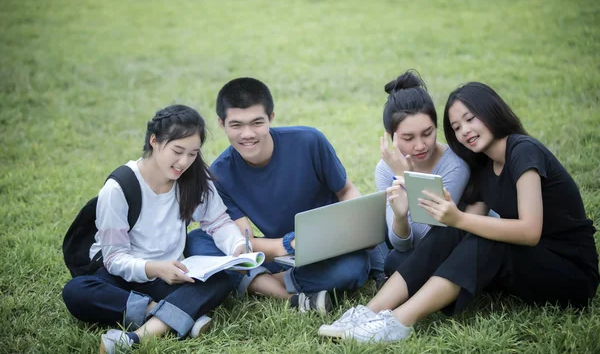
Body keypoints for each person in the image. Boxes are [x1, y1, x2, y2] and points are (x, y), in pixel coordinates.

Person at [319, 82, 599, 342]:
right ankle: (369, 311)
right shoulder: (484, 166)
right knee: (454, 231)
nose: (464, 130)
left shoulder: (522, 151)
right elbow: (459, 228)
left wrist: (460, 218)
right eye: (456, 126)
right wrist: (453, 218)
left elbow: (530, 231)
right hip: (528, 267)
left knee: (482, 235)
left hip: (570, 273)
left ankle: (399, 322)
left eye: (470, 118)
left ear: (492, 111)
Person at [62, 105, 249, 353]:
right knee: (76, 292)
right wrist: (153, 268)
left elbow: (217, 222)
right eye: (177, 151)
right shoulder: (118, 188)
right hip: (119, 276)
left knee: (221, 280)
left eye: (193, 153)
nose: (184, 162)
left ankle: (136, 338)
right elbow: (115, 258)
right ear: (154, 141)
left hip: (168, 276)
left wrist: (238, 247)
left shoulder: (193, 178)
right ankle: (169, 314)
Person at [185, 77, 370, 313]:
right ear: (221, 124)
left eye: (257, 122)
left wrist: (358, 228)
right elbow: (244, 243)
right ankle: (291, 296)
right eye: (236, 125)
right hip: (278, 254)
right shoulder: (220, 174)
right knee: (197, 241)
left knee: (352, 268)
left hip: (328, 249)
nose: (247, 134)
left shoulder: (309, 141)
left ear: (271, 118)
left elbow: (346, 190)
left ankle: (257, 283)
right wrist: (290, 244)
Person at [372, 70, 469, 281]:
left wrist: (405, 176)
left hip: (449, 245)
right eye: (408, 137)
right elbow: (401, 243)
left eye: (428, 133)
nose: (420, 145)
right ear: (391, 136)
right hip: (410, 249)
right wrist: (399, 215)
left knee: (397, 261)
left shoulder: (455, 164)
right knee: (390, 252)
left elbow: (426, 237)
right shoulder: (384, 168)